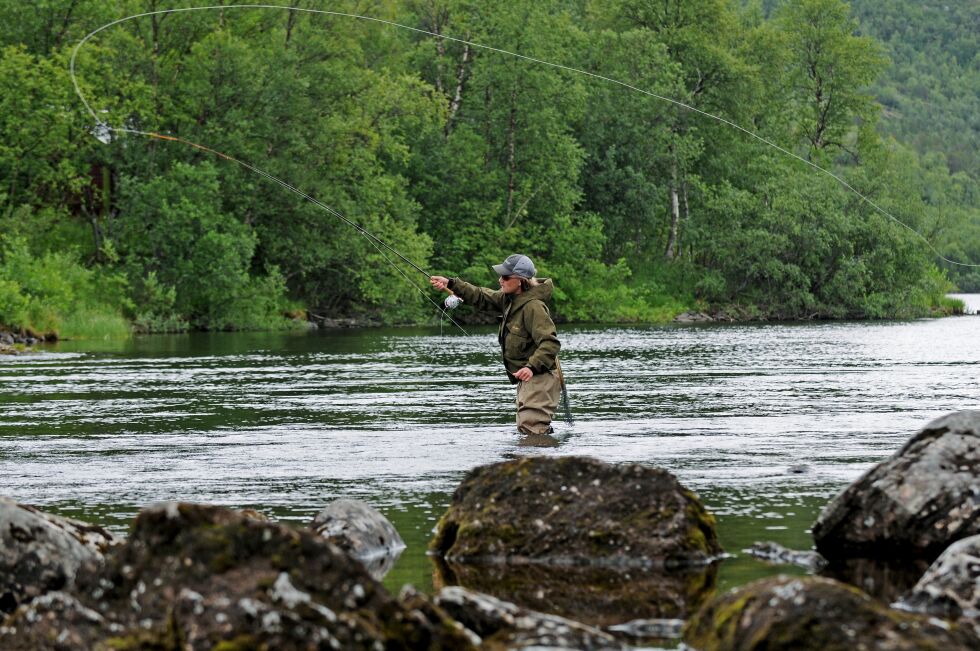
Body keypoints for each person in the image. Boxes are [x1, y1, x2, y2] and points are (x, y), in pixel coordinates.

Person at [430, 254, 562, 435]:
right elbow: (481, 296)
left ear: (521, 281)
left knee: (531, 431)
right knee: (528, 431)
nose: (500, 280)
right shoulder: (509, 300)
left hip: (540, 377)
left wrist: (531, 367)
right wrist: (451, 284)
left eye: (506, 277)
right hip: (529, 377)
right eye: (501, 276)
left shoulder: (534, 307)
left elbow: (550, 342)